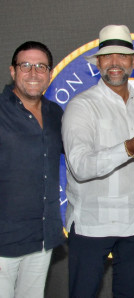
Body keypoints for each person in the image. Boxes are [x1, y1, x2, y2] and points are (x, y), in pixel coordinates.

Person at [62, 24, 134, 298]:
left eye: (122, 56)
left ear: (133, 62)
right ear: (98, 63)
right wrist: (130, 147)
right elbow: (80, 166)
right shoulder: (81, 106)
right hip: (92, 224)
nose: (115, 63)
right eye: (107, 56)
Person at [0, 41, 65, 298]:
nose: (33, 72)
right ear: (13, 71)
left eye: (41, 66)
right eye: (25, 65)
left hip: (42, 238)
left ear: (50, 74)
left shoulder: (55, 114)